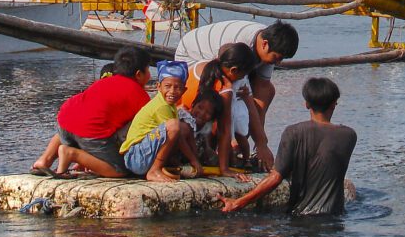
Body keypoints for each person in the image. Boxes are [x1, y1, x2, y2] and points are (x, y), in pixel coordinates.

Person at [218, 77, 357, 216]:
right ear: (334, 104)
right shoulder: (348, 136)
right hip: (335, 216)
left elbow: (276, 178)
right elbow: (323, 160)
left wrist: (238, 202)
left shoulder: (294, 132)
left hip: (301, 217)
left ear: (307, 104)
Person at [175, 20, 299, 170]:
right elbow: (226, 115)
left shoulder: (268, 45)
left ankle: (243, 146)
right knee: (223, 101)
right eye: (278, 58)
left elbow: (261, 91)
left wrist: (261, 144)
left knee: (267, 92)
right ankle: (218, 150)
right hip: (192, 54)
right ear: (264, 44)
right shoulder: (238, 47)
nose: (279, 63)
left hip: (224, 65)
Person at [32, 46, 151, 177]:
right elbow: (144, 126)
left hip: (65, 119)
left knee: (73, 122)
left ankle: (44, 160)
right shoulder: (139, 95)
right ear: (139, 74)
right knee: (119, 170)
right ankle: (72, 154)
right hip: (88, 131)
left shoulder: (105, 81)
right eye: (148, 70)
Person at [119, 60, 205, 182]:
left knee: (184, 127)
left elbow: (182, 133)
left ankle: (168, 165)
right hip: (136, 157)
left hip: (144, 155)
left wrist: (196, 161)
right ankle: (154, 170)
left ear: (184, 90)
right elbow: (177, 134)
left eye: (177, 88)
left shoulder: (171, 106)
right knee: (174, 126)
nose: (172, 92)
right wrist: (194, 160)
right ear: (158, 86)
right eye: (167, 86)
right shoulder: (161, 106)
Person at [181, 42, 257, 176]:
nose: (240, 80)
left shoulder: (199, 66)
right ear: (233, 70)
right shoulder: (225, 89)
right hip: (189, 137)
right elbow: (224, 130)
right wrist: (224, 169)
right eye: (241, 76)